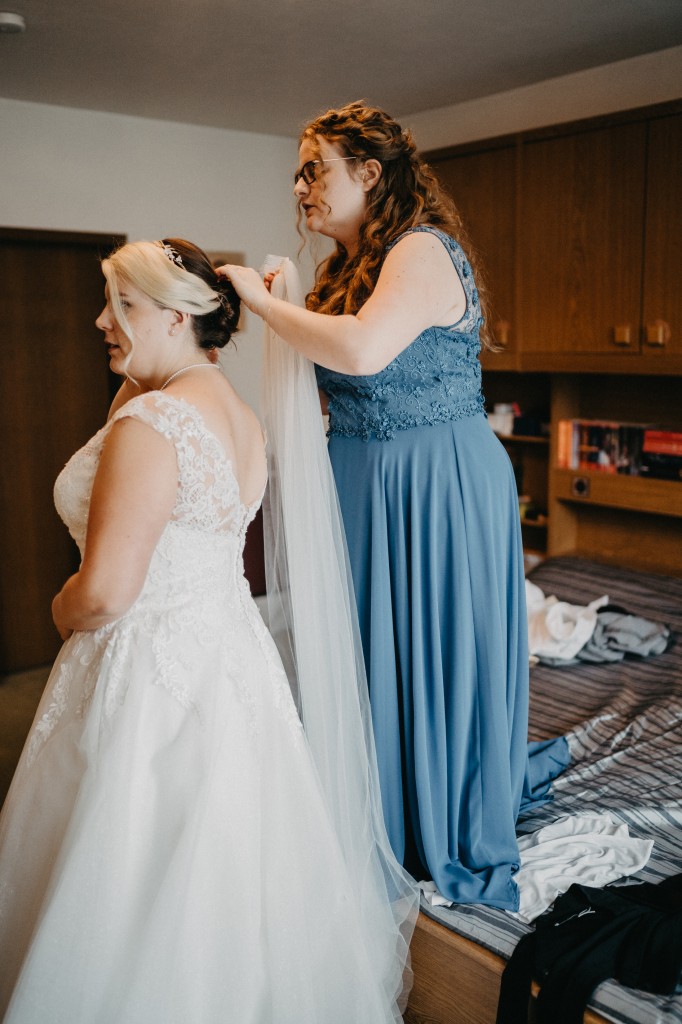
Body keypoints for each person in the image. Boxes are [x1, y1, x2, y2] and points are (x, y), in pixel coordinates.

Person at [0, 238, 415, 1023]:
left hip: (146, 673)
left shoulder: (154, 423)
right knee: (234, 871)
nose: (101, 321)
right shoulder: (239, 417)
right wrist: (143, 374)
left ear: (177, 316)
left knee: (127, 870)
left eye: (122, 305)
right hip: (231, 663)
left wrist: (59, 608)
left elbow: (107, 593)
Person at [218, 101, 569, 911]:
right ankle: (387, 810)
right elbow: (318, 392)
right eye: (298, 173)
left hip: (439, 481)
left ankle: (445, 808)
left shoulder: (423, 249)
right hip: (358, 483)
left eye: (315, 170)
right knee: (367, 653)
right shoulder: (337, 277)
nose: (300, 186)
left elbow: (365, 350)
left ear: (369, 173)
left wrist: (267, 306)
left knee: (437, 646)